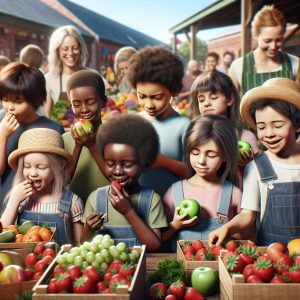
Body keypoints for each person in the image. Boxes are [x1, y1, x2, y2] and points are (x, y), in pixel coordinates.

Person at [208, 77, 300, 247]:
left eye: (278, 125)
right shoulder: (257, 166)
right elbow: (247, 215)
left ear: (297, 125)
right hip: (269, 258)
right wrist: (227, 228)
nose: (269, 134)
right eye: (262, 127)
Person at [81, 114, 167, 251]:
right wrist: (88, 228)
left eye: (126, 164)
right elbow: (83, 245)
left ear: (145, 165)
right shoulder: (96, 198)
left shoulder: (152, 200)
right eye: (110, 163)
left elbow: (154, 246)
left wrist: (128, 211)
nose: (117, 171)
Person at [162, 115, 242, 251]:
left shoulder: (233, 193)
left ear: (224, 156)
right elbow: (159, 239)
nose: (201, 161)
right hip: (182, 268)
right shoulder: (173, 192)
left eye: (211, 155)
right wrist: (175, 225)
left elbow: (243, 238)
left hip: (219, 267)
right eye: (195, 153)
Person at [127, 46, 191, 198]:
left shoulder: (185, 126)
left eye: (156, 97)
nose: (149, 104)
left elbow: (196, 173)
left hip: (172, 206)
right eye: (142, 96)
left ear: (173, 91)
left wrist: (163, 161)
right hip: (135, 205)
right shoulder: (133, 122)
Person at [1, 128, 83, 245]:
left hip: (58, 262)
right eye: (27, 166)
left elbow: (79, 245)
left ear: (60, 165)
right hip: (25, 262)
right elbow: (2, 236)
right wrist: (14, 201)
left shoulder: (72, 202)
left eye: (40, 167)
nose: (33, 173)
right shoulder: (20, 199)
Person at [0, 62, 64, 212]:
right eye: (5, 99)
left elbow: (59, 175)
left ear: (35, 99)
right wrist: (3, 136)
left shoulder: (52, 128)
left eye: (18, 101)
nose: (10, 106)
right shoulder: (2, 126)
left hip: (38, 207)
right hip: (4, 203)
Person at [188, 70, 259, 170]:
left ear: (229, 100)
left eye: (213, 97)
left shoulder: (246, 137)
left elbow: (257, 174)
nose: (206, 103)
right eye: (201, 100)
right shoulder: (194, 136)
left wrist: (248, 165)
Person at [229, 5, 299, 96]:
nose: (273, 46)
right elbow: (230, 106)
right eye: (267, 41)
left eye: (278, 40)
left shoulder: (295, 64)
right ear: (255, 35)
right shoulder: (238, 67)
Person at [63, 69, 109, 203]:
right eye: (76, 104)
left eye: (90, 102)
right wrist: (77, 146)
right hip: (75, 211)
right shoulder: (66, 139)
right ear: (70, 105)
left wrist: (92, 146)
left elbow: (116, 178)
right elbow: (63, 182)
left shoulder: (115, 136)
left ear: (104, 101)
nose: (84, 109)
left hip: (109, 209)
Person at [44, 25, 88, 117]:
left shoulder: (91, 76)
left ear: (81, 49)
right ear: (57, 51)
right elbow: (47, 117)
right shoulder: (48, 79)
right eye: (65, 49)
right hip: (61, 131)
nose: (70, 53)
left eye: (75, 48)